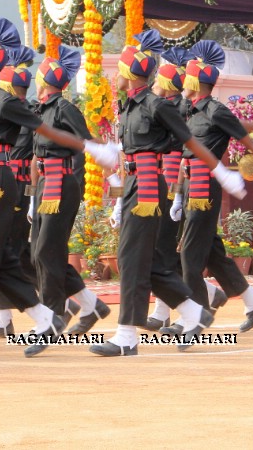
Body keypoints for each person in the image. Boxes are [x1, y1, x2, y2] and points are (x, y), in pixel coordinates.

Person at [0, 19, 118, 362]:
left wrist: (92, 148)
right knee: (5, 262)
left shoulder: (4, 101)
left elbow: (44, 130)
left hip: (0, 185)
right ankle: (46, 318)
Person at [89, 30, 244, 357]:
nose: (116, 74)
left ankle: (127, 334)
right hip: (133, 184)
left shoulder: (156, 105)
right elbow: (127, 151)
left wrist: (221, 172)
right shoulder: (128, 105)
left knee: (131, 258)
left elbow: (190, 141)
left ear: (131, 73)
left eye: (121, 68)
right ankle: (192, 311)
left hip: (147, 186)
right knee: (143, 260)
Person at [167, 40, 253, 332]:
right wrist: (178, 194)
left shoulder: (215, 110)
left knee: (190, 253)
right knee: (211, 252)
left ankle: (196, 316)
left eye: (186, 77)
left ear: (196, 81)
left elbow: (243, 136)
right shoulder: (189, 110)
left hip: (206, 188)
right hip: (190, 185)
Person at [30, 46, 110, 337]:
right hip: (44, 186)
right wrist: (31, 195)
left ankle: (51, 316)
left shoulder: (65, 108)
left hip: (62, 185)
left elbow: (86, 140)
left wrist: (110, 156)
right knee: (37, 253)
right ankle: (90, 305)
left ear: (44, 79)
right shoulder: (41, 110)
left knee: (48, 251)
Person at [0, 47, 41, 337]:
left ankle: (48, 303)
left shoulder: (26, 114)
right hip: (5, 185)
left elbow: (35, 159)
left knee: (12, 251)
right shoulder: (7, 113)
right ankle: (4, 316)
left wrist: (31, 198)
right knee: (7, 251)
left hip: (20, 190)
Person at [143, 47, 194, 331]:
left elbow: (181, 155)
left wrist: (177, 194)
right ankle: (166, 307)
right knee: (161, 248)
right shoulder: (166, 107)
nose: (153, 86)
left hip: (173, 180)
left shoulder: (176, 109)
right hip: (162, 180)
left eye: (158, 80)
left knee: (165, 248)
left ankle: (174, 309)